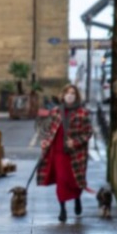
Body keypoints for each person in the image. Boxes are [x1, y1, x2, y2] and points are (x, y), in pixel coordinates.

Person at [37, 84, 93, 222]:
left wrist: (75, 142)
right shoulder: (56, 111)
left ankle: (77, 199)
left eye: (73, 93)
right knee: (61, 181)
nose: (70, 95)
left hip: (76, 154)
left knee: (75, 180)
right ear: (63, 95)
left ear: (76, 96)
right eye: (67, 92)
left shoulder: (82, 112)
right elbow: (48, 129)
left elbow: (88, 132)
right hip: (59, 152)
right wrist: (45, 142)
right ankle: (62, 209)